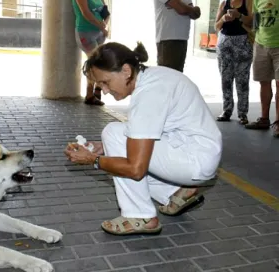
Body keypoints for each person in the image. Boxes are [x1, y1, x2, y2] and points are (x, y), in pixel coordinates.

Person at [64, 42, 222, 235]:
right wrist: (104, 147)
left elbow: (136, 170)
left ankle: (140, 216)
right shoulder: (154, 78)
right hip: (196, 150)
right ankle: (174, 193)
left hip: (194, 159)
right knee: (114, 139)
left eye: (106, 82)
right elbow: (146, 133)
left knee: (113, 134)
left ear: (126, 71)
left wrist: (93, 160)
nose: (104, 90)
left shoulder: (148, 95)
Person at [214, 0, 254, 125]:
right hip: (224, 43)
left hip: (243, 43)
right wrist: (224, 19)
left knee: (242, 80)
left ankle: (243, 113)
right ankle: (227, 110)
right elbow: (216, 26)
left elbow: (253, 22)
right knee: (225, 79)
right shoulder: (224, 3)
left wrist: (239, 16)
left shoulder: (248, 2)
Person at [244, 0, 279, 138]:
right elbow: (255, 21)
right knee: (263, 82)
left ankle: (278, 121)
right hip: (261, 44)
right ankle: (264, 119)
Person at [72, 0, 110, 106]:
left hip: (100, 33)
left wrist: (104, 25)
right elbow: (86, 13)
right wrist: (101, 26)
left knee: (99, 61)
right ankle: (89, 95)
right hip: (85, 32)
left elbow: (106, 13)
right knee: (94, 63)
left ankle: (97, 89)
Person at [154, 0, 201, 72]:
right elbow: (181, 9)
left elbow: (195, 14)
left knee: (178, 75)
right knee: (167, 76)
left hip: (182, 39)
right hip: (168, 39)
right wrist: (191, 9)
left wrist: (186, 8)